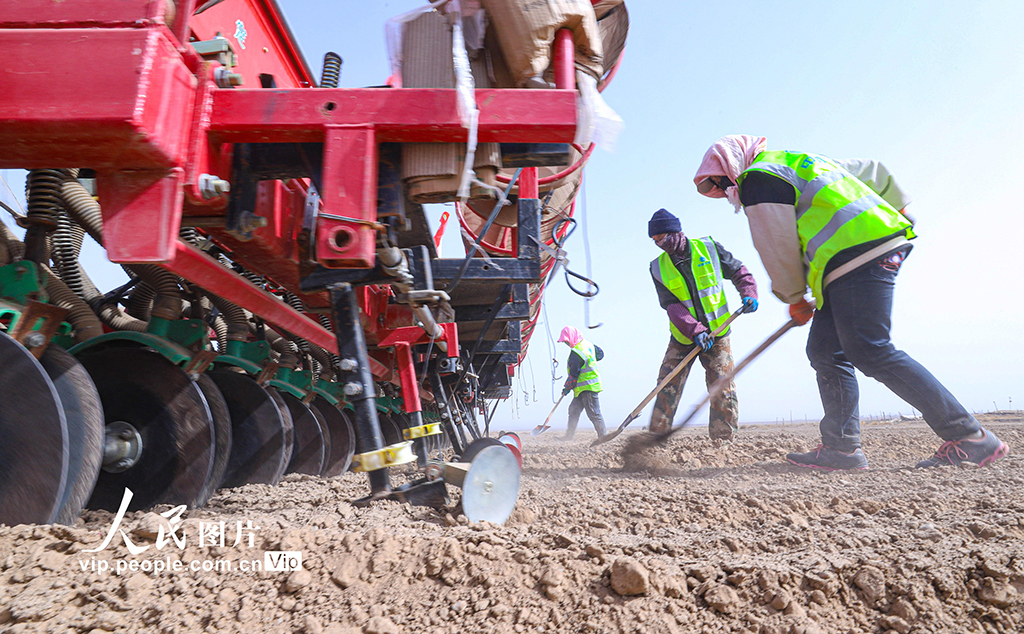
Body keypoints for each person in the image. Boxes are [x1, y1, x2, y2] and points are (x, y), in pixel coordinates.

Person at [693, 134, 1009, 469]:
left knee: (869, 348)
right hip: (856, 256)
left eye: (721, 182)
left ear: (732, 164)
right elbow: (874, 171)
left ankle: (970, 436)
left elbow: (776, 244)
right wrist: (897, 210)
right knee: (826, 351)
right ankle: (841, 448)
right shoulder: (799, 161)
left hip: (855, 255)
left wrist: (794, 296)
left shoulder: (757, 178)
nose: (726, 191)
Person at [647, 208, 759, 441]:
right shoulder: (657, 267)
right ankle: (655, 442)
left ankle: (723, 442)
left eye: (662, 238)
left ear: (676, 232)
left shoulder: (709, 248)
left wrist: (749, 292)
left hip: (718, 334)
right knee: (667, 386)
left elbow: (738, 271)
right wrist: (694, 329)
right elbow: (671, 305)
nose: (660, 244)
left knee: (721, 386)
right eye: (655, 241)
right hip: (683, 337)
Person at [557, 326, 607, 440]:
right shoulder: (588, 345)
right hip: (582, 388)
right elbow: (600, 355)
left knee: (594, 413)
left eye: (566, 341)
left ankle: (604, 438)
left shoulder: (577, 353)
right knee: (573, 410)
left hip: (588, 386)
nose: (566, 343)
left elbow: (573, 375)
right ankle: (568, 437)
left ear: (571, 337)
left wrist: (566, 388)